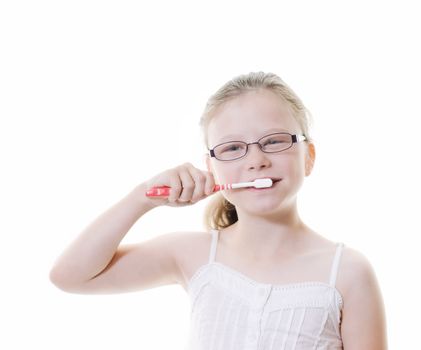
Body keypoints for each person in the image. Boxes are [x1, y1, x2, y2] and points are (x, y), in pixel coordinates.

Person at [49, 72, 387, 349]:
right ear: (212, 168)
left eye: (274, 141)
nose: (257, 160)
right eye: (233, 148)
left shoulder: (348, 272)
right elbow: (69, 276)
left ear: (309, 156)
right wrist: (143, 198)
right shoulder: (192, 255)